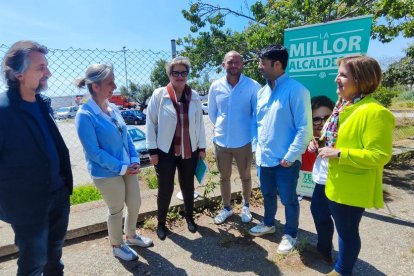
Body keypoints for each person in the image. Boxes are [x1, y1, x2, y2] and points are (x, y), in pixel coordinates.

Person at [0, 40, 73, 275]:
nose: (48, 73)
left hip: (59, 196)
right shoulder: (3, 110)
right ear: (18, 73)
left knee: (55, 257)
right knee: (33, 265)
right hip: (28, 206)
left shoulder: (42, 104)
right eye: (41, 67)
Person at [317, 55, 394, 276]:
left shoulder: (375, 112)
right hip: (334, 183)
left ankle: (342, 270)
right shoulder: (344, 105)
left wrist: (339, 152)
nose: (336, 79)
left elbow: (379, 155)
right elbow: (334, 137)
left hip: (352, 188)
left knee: (348, 234)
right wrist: (320, 144)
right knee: (342, 230)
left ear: (361, 79)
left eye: (342, 75)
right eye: (338, 74)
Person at [75, 64, 152, 262]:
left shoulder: (113, 108)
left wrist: (134, 160)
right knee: (116, 209)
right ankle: (117, 246)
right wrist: (121, 167)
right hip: (107, 173)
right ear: (96, 86)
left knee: (135, 203)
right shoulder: (85, 115)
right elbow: (94, 152)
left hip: (128, 167)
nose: (115, 85)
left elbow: (127, 138)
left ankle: (132, 236)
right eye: (110, 82)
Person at [249, 45, 312, 255]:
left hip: (285, 161)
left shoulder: (297, 90)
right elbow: (257, 124)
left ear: (277, 65)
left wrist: (290, 156)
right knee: (267, 195)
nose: (260, 67)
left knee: (289, 200)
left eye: (263, 63)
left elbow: (305, 128)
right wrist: (256, 148)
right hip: (264, 159)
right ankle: (269, 224)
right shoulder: (261, 92)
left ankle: (290, 234)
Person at [146, 56, 206, 240]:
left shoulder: (194, 96)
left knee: (188, 186)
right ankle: (161, 223)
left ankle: (189, 217)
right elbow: (151, 123)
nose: (179, 76)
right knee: (165, 188)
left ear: (187, 74)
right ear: (169, 75)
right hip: (165, 151)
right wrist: (152, 151)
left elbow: (200, 124)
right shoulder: (159, 95)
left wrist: (202, 147)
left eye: (183, 72)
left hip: (189, 149)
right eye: (175, 73)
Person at [208, 51, 261, 224]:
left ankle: (246, 206)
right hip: (221, 141)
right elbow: (213, 113)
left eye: (238, 62)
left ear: (242, 64)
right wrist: (224, 129)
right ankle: (227, 208)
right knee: (224, 177)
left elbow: (256, 114)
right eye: (230, 62)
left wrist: (252, 138)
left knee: (246, 176)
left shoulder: (253, 86)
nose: (234, 65)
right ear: (223, 64)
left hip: (244, 141)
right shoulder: (216, 86)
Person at [304, 95, 335, 264]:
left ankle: (344, 264)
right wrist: (313, 145)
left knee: (346, 227)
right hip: (322, 182)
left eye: (326, 118)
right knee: (318, 213)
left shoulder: (342, 132)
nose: (322, 123)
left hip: (341, 182)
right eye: (316, 119)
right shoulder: (316, 138)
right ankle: (324, 250)